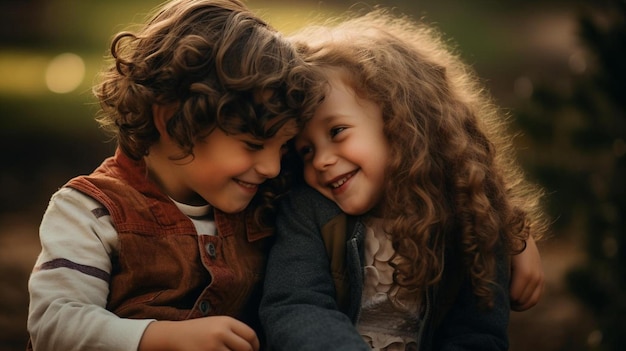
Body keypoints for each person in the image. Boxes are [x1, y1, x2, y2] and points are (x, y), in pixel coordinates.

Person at [26, 1, 312, 350]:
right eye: (253, 144)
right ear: (173, 120)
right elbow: (53, 325)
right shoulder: (92, 211)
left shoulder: (268, 205)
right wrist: (160, 337)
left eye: (283, 148)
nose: (272, 168)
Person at [260, 9, 549, 351]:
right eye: (305, 150)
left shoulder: (470, 217)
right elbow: (296, 306)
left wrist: (513, 233)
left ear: (401, 125)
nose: (321, 160)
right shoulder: (309, 210)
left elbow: (478, 333)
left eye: (337, 132)